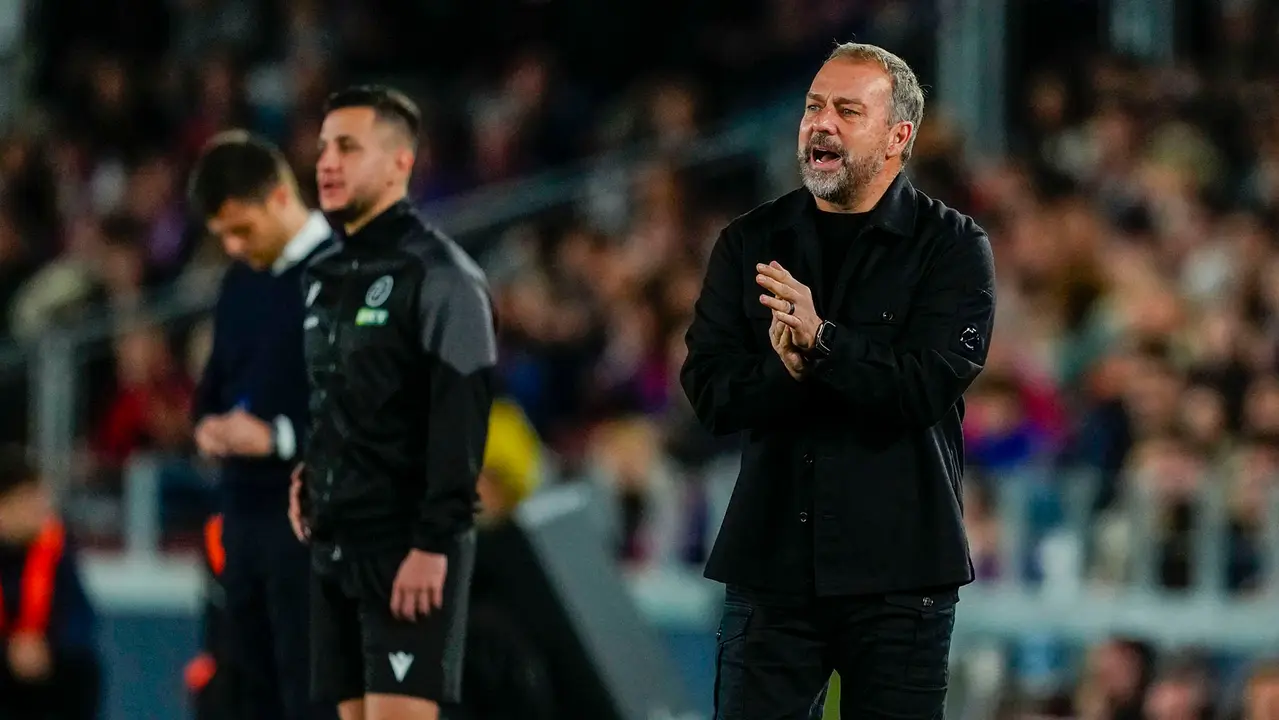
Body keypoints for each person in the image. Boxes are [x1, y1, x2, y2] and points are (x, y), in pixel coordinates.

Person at [680, 42, 997, 719]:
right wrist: (785, 370)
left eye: (846, 111)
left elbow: (922, 388)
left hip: (900, 580)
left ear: (896, 137)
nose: (820, 123)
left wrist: (823, 341)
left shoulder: (952, 248)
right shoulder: (748, 242)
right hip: (770, 573)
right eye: (813, 107)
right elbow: (709, 393)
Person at [293, 85, 496, 720]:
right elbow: (339, 397)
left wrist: (434, 544)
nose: (327, 161)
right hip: (335, 544)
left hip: (405, 545)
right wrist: (310, 470)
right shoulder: (323, 275)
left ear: (399, 164)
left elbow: (462, 418)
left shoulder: (443, 277)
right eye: (324, 147)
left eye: (348, 148)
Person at [187, 131, 335, 720]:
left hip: (316, 525)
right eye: (220, 233)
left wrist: (280, 438)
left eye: (240, 229)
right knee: (243, 691)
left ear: (279, 197)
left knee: (311, 690)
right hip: (240, 519)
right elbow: (215, 384)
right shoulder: (240, 282)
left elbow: (375, 407)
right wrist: (209, 427)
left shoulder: (349, 275)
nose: (231, 246)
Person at [0, 444, 99, 720]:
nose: (41, 508)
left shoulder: (56, 550)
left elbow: (80, 618)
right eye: (27, 500)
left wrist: (46, 647)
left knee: (81, 666)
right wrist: (10, 650)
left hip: (47, 666)